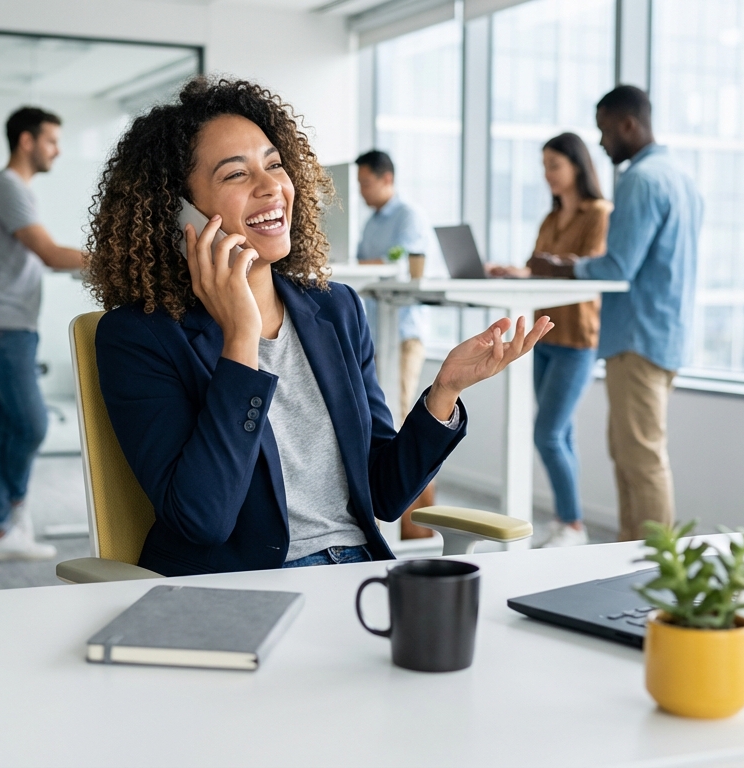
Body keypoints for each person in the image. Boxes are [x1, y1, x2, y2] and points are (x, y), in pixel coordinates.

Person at [83, 78, 551, 576]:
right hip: (243, 588)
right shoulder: (140, 338)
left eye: (274, 164)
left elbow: (384, 494)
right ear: (179, 213)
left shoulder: (336, 310)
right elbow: (203, 519)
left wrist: (443, 392)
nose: (270, 188)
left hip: (357, 572)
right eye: (236, 174)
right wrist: (241, 339)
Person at [557, 85, 703, 542]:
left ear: (627, 124)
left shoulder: (641, 180)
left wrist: (566, 267)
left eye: (603, 130)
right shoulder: (681, 177)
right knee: (629, 453)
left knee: (640, 458)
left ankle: (658, 566)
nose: (600, 143)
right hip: (665, 334)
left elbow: (618, 266)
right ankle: (629, 553)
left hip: (637, 337)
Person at [0, 106, 86, 561]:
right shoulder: (8, 188)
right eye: (52, 140)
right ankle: (14, 512)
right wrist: (116, 257)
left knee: (3, 426)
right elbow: (52, 254)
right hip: (2, 327)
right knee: (32, 424)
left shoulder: (16, 189)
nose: (57, 149)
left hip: (6, 324)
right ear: (27, 141)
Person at [487, 133, 611, 547]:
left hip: (578, 338)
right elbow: (535, 268)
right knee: (562, 434)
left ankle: (571, 525)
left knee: (548, 434)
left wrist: (540, 268)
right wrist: (512, 271)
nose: (547, 174)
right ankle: (569, 523)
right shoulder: (550, 217)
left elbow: (588, 269)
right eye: (543, 166)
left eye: (554, 165)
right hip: (545, 333)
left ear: (577, 166)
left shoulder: (599, 213)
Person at [353, 150, 445, 421]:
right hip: (375, 333)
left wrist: (366, 264)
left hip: (404, 332)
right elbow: (358, 263)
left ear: (387, 179)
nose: (361, 192)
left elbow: (402, 262)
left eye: (366, 184)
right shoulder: (370, 224)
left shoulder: (409, 216)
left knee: (400, 412)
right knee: (377, 413)